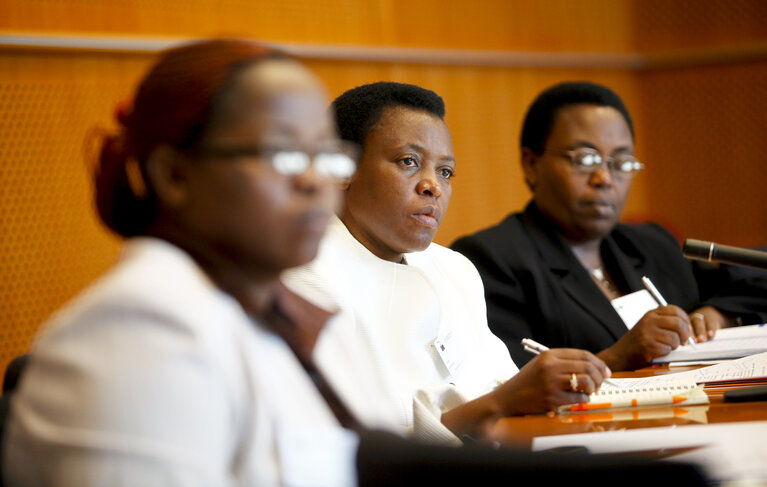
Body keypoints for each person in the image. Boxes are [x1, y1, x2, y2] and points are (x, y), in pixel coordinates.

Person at [1, 38, 398, 486]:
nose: (314, 181)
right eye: (282, 154)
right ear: (173, 175)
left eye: (327, 156)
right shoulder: (141, 328)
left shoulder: (304, 315)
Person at [282, 81, 613, 444]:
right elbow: (344, 449)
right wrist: (500, 404)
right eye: (409, 162)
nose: (433, 187)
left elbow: (501, 388)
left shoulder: (454, 268)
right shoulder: (302, 279)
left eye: (445, 172)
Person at [451, 81, 767, 372]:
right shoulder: (487, 260)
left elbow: (756, 281)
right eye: (585, 160)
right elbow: (502, 381)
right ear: (531, 165)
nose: (604, 179)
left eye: (621, 163)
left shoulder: (650, 243)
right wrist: (615, 358)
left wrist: (716, 315)